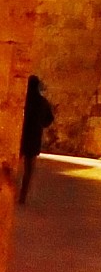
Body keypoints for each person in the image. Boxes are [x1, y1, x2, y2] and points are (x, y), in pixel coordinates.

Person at [18, 76, 53, 205]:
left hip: (20, 136)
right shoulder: (42, 102)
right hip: (34, 138)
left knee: (12, 166)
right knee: (28, 170)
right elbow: (49, 119)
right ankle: (22, 196)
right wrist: (39, 124)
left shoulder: (22, 100)